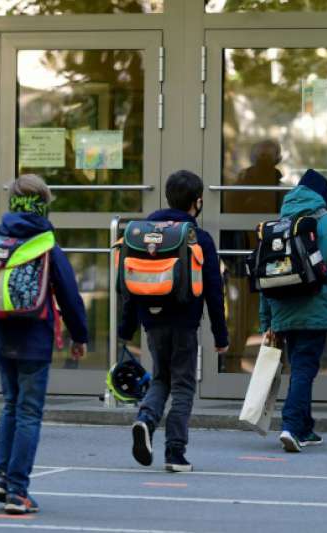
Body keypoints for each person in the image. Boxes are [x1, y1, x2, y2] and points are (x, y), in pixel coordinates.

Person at [0, 174, 88, 514]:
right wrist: (80, 336)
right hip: (34, 340)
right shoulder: (46, 245)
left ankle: (2, 477)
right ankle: (18, 490)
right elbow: (70, 297)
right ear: (43, 205)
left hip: (0, 336)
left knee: (11, 405)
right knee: (29, 411)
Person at [121, 170, 229, 473]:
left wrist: (125, 329)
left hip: (151, 322)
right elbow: (214, 291)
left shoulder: (142, 236)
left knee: (160, 378)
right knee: (182, 385)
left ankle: (145, 419)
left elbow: (127, 285)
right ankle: (175, 453)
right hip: (184, 323)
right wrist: (221, 337)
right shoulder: (199, 238)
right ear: (197, 202)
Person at [259, 169, 327, 452]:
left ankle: (306, 427)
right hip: (316, 306)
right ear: (324, 198)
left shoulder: (278, 224)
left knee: (301, 365)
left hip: (283, 307)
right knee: (304, 367)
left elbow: (266, 276)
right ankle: (290, 426)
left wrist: (267, 318)